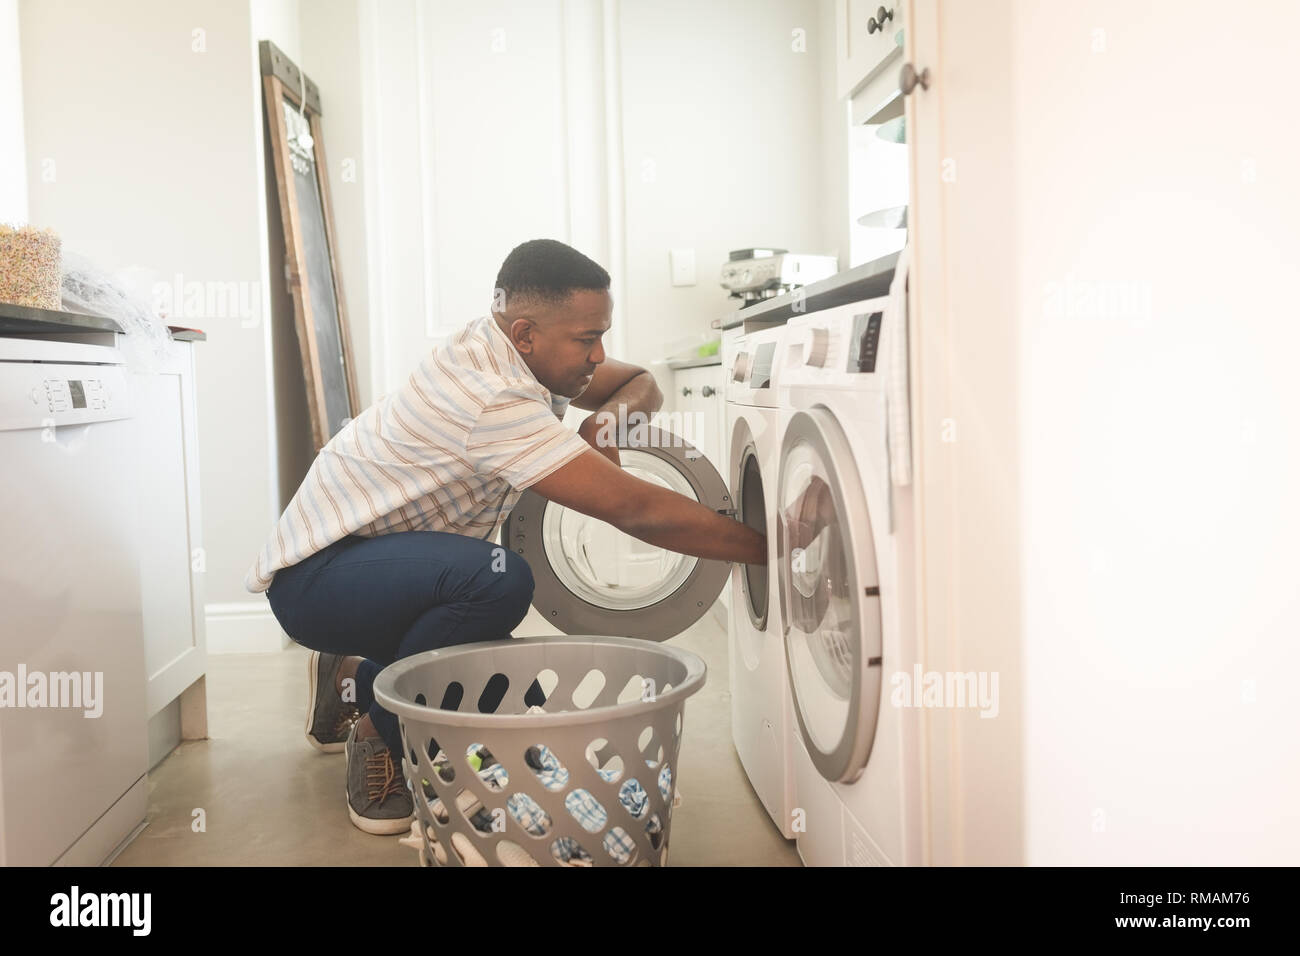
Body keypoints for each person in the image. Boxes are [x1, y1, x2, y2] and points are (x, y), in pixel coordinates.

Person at [244, 238, 767, 834]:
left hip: (383, 557)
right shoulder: (491, 395)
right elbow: (636, 509)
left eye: (602, 334)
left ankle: (362, 666)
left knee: (492, 665)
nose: (599, 354)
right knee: (495, 582)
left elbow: (643, 381)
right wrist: (766, 546)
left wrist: (605, 420)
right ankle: (375, 718)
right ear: (524, 333)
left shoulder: (512, 349)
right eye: (585, 338)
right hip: (316, 578)